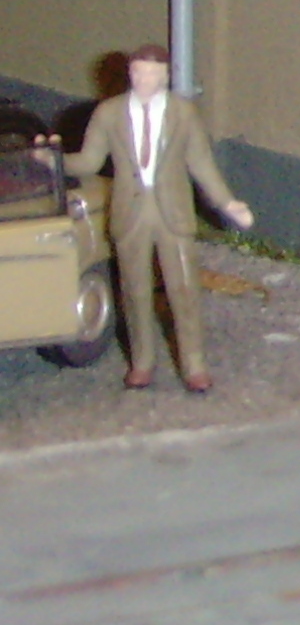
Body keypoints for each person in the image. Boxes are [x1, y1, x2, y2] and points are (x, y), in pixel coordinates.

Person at [66, 43, 254, 392]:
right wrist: (53, 160)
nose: (144, 79)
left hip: (173, 213)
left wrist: (228, 203)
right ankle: (142, 362)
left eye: (152, 73)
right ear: (130, 74)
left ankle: (194, 363)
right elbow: (89, 161)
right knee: (134, 292)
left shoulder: (183, 113)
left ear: (166, 76)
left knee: (184, 289)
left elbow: (201, 163)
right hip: (130, 214)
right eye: (138, 72)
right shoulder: (109, 113)